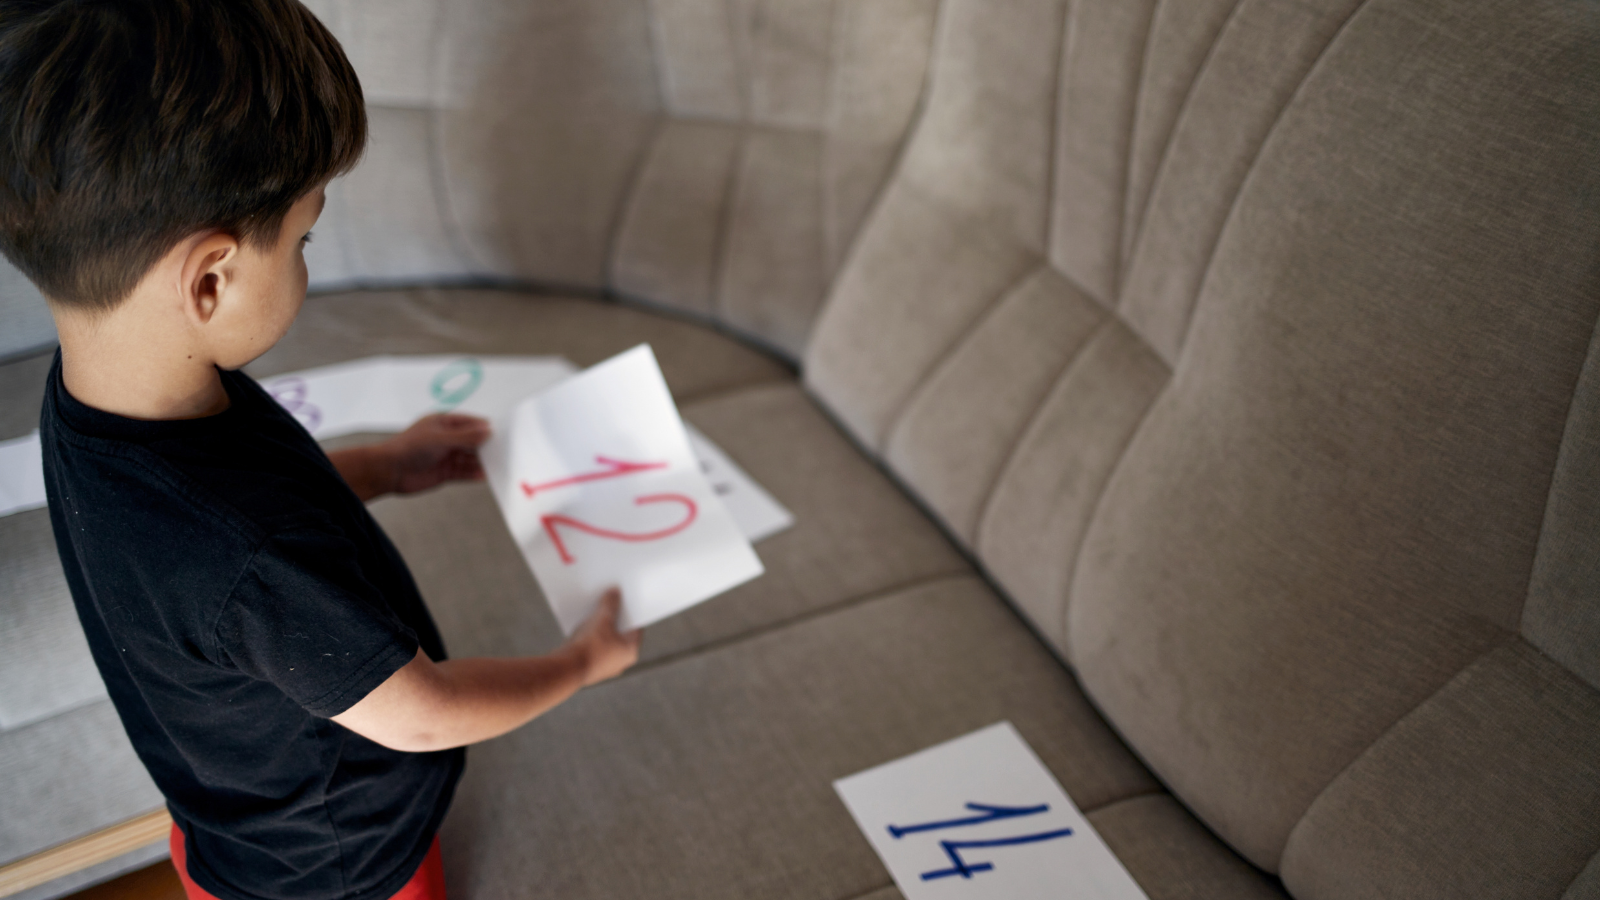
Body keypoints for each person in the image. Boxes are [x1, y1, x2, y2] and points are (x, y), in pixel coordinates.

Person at [0, 3, 643, 899]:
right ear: (211, 280)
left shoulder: (91, 408)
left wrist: (382, 466)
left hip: (232, 824)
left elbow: (248, 551)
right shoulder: (243, 555)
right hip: (340, 868)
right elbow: (424, 716)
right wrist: (579, 663)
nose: (306, 254)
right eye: (303, 238)